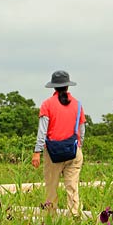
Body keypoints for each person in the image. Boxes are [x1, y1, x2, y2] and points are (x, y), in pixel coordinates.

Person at [32, 70, 86, 216]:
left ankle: (50, 218)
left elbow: (42, 131)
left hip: (53, 153)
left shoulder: (47, 104)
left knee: (51, 188)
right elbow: (82, 130)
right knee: (72, 187)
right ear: (68, 86)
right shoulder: (78, 105)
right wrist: (78, 146)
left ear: (54, 87)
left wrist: (37, 152)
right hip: (73, 151)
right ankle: (74, 216)